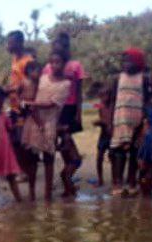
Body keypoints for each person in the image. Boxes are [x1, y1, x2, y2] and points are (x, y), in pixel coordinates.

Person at [22, 50, 71, 201]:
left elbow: (51, 103)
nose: (55, 65)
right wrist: (28, 103)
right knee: (32, 160)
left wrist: (30, 103)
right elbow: (29, 91)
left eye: (58, 62)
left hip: (50, 123)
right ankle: (31, 193)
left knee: (49, 159)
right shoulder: (42, 78)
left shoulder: (66, 84)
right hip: (34, 121)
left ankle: (47, 195)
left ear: (64, 64)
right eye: (52, 62)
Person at [46, 33, 86, 197]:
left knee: (66, 145)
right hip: (55, 110)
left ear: (67, 48)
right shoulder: (48, 67)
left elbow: (79, 91)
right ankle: (66, 181)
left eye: (61, 46)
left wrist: (78, 112)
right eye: (55, 45)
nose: (58, 48)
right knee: (64, 146)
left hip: (70, 109)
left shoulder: (75, 66)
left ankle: (67, 181)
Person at [109, 48, 148, 197]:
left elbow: (146, 100)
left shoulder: (143, 78)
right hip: (120, 120)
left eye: (129, 61)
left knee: (134, 152)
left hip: (137, 121)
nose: (126, 64)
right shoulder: (117, 78)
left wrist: (145, 121)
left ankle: (132, 182)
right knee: (119, 152)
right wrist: (109, 122)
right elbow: (112, 100)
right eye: (124, 61)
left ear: (138, 62)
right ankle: (117, 183)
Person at [6, 31, 35, 115]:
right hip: (14, 104)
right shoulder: (15, 58)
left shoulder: (29, 61)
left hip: (24, 104)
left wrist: (9, 90)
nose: (8, 46)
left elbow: (29, 86)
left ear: (19, 43)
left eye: (10, 43)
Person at [93, 85, 113, 187]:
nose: (103, 98)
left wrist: (103, 122)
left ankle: (115, 179)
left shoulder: (113, 106)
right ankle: (100, 179)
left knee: (113, 157)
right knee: (99, 157)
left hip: (112, 135)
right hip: (104, 134)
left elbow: (110, 120)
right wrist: (99, 123)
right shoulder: (101, 106)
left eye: (106, 95)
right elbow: (103, 119)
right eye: (101, 96)